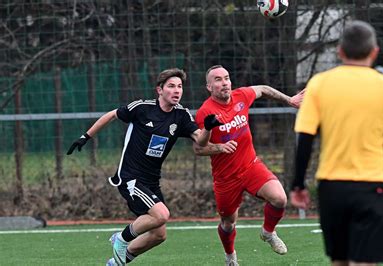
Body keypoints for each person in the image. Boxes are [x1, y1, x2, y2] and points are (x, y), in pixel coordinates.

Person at [289, 20, 383, 266]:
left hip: (332, 188)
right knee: (364, 262)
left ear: (340, 52)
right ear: (374, 52)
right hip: (371, 188)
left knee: (339, 261)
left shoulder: (319, 84)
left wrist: (298, 184)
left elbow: (305, 139)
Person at [67, 68, 222, 266]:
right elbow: (112, 115)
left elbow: (200, 141)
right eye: (171, 86)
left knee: (159, 234)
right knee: (162, 214)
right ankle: (121, 239)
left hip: (151, 180)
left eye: (180, 87)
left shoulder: (181, 116)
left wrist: (208, 128)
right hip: (131, 177)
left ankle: (116, 263)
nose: (177, 91)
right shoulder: (141, 108)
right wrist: (85, 137)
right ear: (160, 90)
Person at [193, 65, 305, 266]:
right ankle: (230, 257)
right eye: (218, 80)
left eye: (226, 78)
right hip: (226, 178)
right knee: (228, 223)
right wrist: (217, 144)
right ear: (209, 86)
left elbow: (262, 88)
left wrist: (289, 99)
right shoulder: (205, 111)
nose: (224, 83)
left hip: (251, 166)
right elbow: (199, 148)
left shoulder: (241, 96)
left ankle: (268, 233)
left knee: (279, 198)